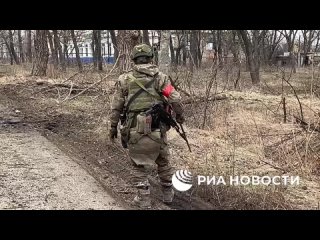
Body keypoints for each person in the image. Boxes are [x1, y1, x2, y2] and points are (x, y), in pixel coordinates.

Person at [109, 43, 185, 209]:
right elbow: (174, 99)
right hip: (158, 128)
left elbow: (116, 107)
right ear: (151, 58)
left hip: (134, 127)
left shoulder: (124, 79)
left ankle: (143, 198)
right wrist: (180, 116)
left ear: (134, 60)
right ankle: (167, 194)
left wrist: (113, 127)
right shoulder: (161, 78)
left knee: (138, 163)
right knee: (163, 160)